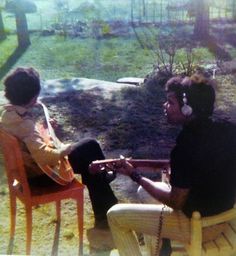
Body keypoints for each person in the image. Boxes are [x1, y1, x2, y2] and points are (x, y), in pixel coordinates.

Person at [107, 73, 236, 255]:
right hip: (225, 217)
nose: (165, 106)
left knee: (115, 216)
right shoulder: (228, 129)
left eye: (170, 102)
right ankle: (161, 249)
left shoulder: (185, 145)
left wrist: (135, 175)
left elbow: (176, 201)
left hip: (201, 227)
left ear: (187, 109)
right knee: (144, 192)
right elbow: (205, 167)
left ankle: (158, 246)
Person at [0, 67, 118, 229]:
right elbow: (44, 157)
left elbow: (29, 145)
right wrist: (65, 149)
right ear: (32, 97)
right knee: (90, 147)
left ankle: (105, 213)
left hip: (26, 176)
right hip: (42, 177)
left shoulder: (7, 115)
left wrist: (47, 130)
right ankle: (107, 213)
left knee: (88, 159)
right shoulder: (24, 123)